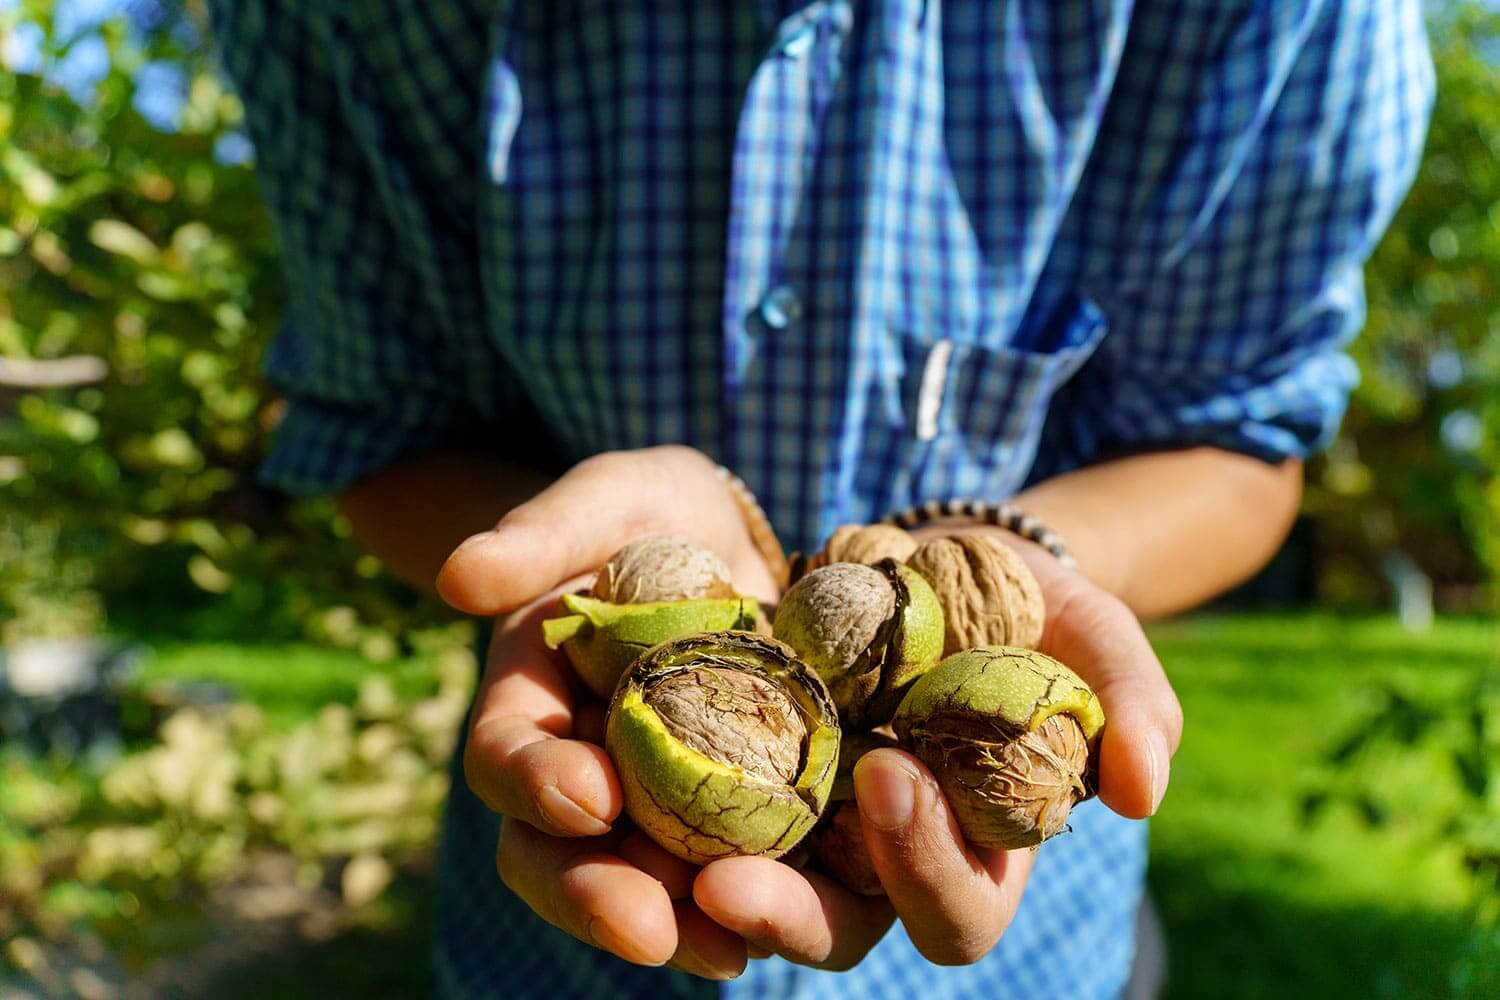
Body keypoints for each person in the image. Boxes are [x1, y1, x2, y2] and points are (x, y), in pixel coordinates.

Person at [210, 1, 1432, 996]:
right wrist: (540, 546)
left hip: (1044, 954)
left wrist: (1021, 549)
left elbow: (1237, 449)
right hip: (552, 945)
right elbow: (381, 432)